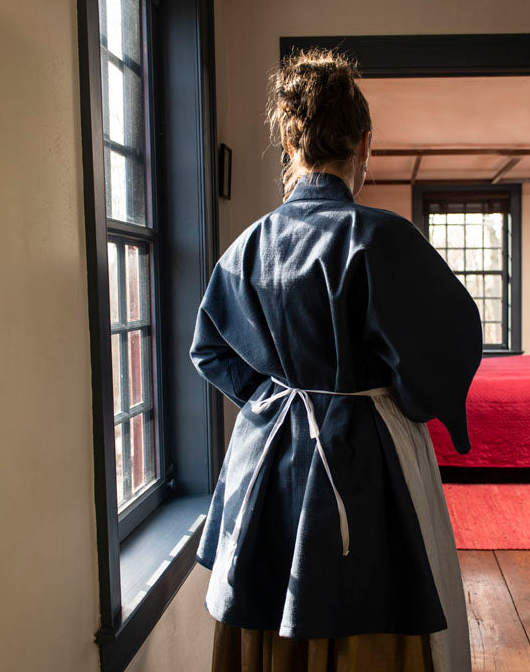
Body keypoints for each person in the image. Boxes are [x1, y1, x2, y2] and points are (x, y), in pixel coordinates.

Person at [190, 48, 482, 672]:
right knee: (373, 605)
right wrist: (402, 398)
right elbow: (447, 342)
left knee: (267, 610)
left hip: (265, 470)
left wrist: (275, 402)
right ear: (365, 144)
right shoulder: (382, 238)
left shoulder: (246, 249)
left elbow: (209, 348)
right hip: (368, 459)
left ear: (290, 146)